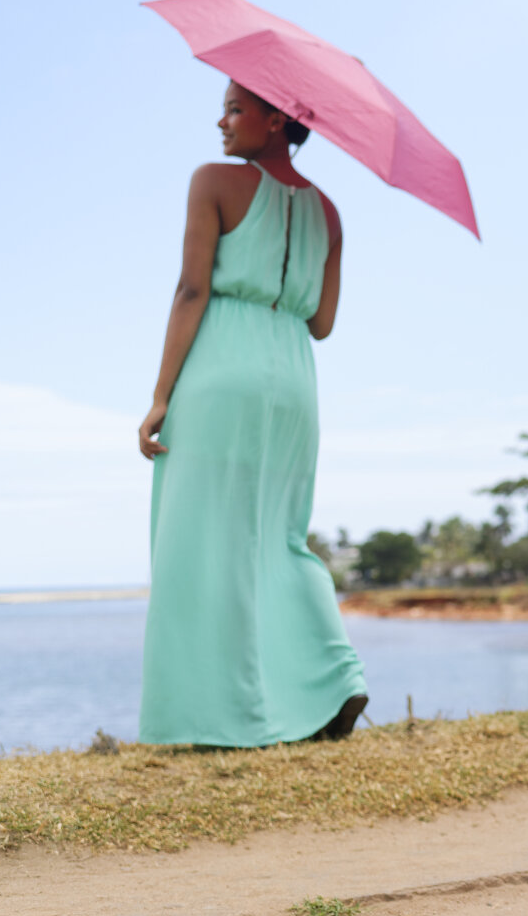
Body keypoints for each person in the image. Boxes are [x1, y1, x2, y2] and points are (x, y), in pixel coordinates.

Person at [137, 81, 368, 746]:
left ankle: (215, 717)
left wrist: (159, 397)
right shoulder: (330, 212)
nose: (221, 120)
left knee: (198, 540)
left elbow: (192, 288)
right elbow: (322, 322)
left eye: (235, 108)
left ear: (274, 119)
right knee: (282, 538)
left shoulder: (213, 181)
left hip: (222, 369)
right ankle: (335, 678)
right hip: (293, 376)